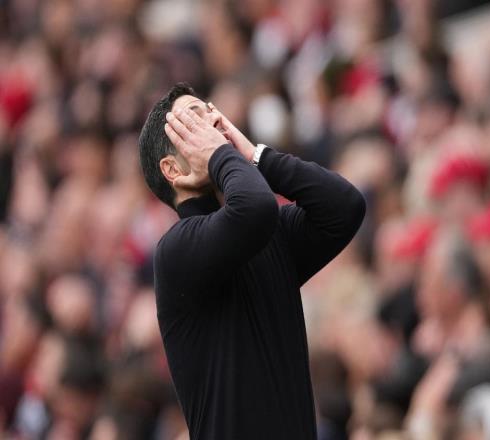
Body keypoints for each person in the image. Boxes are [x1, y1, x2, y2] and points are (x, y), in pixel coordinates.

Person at [138, 82, 366, 440]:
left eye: (211, 112)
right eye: (195, 122)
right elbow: (254, 209)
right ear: (172, 170)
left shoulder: (270, 235)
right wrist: (221, 156)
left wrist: (256, 157)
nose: (214, 122)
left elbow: (344, 207)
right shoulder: (176, 251)